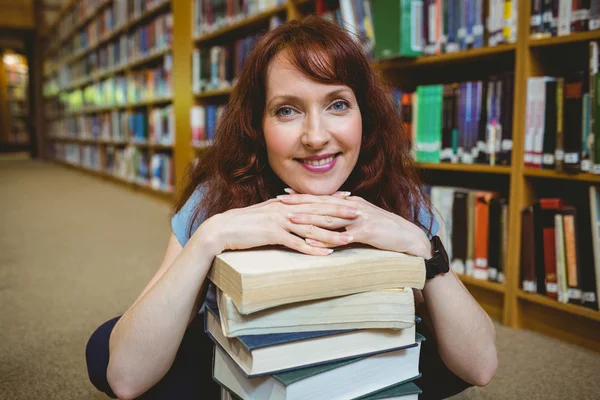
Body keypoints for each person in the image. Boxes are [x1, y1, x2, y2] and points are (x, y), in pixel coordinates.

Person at [85, 16, 497, 400]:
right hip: (244, 363)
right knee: (107, 345)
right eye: (287, 110)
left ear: (364, 116)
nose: (316, 136)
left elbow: (478, 366)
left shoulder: (397, 197)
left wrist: (423, 247)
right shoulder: (218, 197)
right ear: (257, 125)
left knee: (447, 339)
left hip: (366, 354)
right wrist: (211, 236)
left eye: (337, 104)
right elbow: (125, 375)